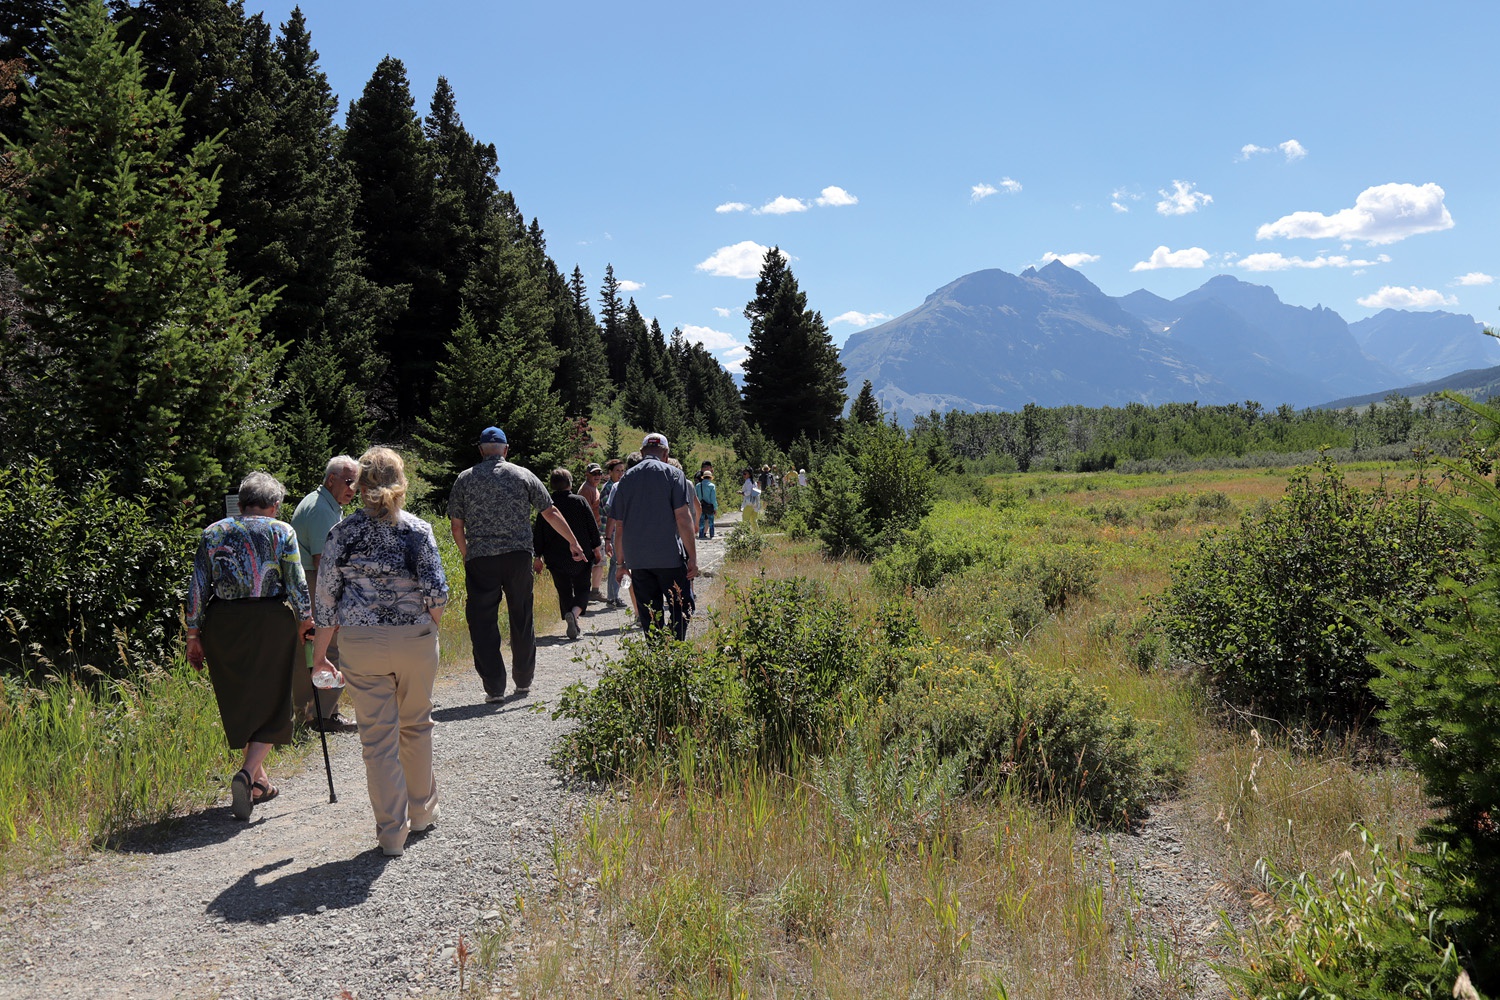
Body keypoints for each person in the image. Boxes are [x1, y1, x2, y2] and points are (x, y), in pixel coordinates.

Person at [311, 447, 448, 858]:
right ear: (400, 483)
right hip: (415, 639)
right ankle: (422, 813)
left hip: (361, 643)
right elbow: (437, 592)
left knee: (377, 741)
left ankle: (391, 834)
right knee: (417, 725)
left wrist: (319, 657)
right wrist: (428, 632)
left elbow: (324, 603)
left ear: (359, 484)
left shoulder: (341, 533)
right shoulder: (418, 530)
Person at [184, 471, 313, 821]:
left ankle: (259, 784)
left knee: (242, 699)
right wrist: (306, 619)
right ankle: (245, 774)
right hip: (270, 620)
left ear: (240, 505)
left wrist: (193, 635)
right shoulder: (281, 531)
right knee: (273, 701)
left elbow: (197, 586)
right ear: (274, 505)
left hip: (224, 623)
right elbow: (296, 580)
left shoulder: (213, 532)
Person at [448, 426, 585, 702]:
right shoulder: (523, 475)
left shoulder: (464, 479)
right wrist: (573, 541)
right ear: (506, 450)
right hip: (518, 557)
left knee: (482, 621)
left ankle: (494, 687)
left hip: (481, 558)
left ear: (480, 450)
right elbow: (550, 511)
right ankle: (523, 681)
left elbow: (456, 526)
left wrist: (467, 554)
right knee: (521, 616)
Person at [288, 455, 359, 733]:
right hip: (317, 583)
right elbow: (323, 561)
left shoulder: (326, 504)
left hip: (312, 583)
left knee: (317, 650)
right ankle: (322, 717)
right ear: (331, 479)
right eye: (348, 481)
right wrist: (339, 601)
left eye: (356, 483)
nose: (352, 489)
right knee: (332, 648)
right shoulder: (320, 509)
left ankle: (316, 713)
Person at [608, 433, 698, 641]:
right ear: (666, 454)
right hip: (670, 558)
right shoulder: (675, 475)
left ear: (641, 453)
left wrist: (621, 563)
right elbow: (683, 519)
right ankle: (676, 651)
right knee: (681, 605)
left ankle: (657, 657)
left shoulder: (625, 480)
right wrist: (692, 557)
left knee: (650, 611)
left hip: (638, 561)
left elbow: (619, 528)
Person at [532, 468, 604, 640]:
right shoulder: (579, 501)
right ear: (570, 483)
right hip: (580, 554)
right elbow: (592, 526)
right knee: (582, 588)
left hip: (555, 557)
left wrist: (538, 556)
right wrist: (596, 547)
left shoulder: (547, 506)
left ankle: (569, 617)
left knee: (563, 589)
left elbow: (539, 533)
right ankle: (575, 612)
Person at [598, 457, 627, 607]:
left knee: (618, 562)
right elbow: (608, 511)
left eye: (622, 470)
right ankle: (612, 597)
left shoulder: (619, 486)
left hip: (617, 529)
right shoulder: (609, 488)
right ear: (610, 472)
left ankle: (614, 595)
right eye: (617, 471)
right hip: (614, 530)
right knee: (616, 563)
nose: (621, 473)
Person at [579, 463, 607, 601]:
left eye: (599, 473)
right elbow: (585, 513)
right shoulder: (587, 489)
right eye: (594, 474)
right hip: (591, 531)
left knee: (598, 562)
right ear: (587, 474)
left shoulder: (593, 488)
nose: (597, 476)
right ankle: (590, 592)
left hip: (595, 530)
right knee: (597, 561)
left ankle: (593, 591)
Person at [695, 470, 717, 539]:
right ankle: (711, 535)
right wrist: (715, 508)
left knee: (701, 522)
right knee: (711, 522)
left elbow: (696, 496)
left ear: (703, 477)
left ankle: (701, 535)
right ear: (710, 478)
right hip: (709, 506)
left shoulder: (698, 485)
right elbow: (713, 498)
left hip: (701, 506)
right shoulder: (712, 486)